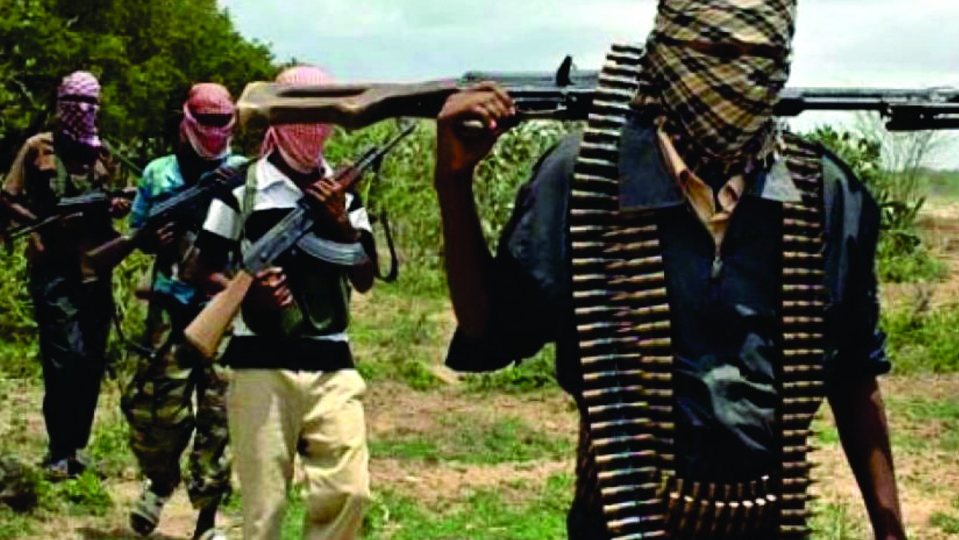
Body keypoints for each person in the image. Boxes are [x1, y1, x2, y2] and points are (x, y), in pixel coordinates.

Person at [432, 1, 907, 538]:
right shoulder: (587, 176)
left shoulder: (822, 191)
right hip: (623, 521)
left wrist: (890, 530)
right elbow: (489, 326)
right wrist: (453, 183)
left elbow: (853, 371)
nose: (738, 76)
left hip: (770, 522)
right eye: (716, 51)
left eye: (762, 54)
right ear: (666, 52)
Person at [193, 65, 376, 540]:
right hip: (260, 364)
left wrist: (340, 223)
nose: (313, 127)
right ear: (279, 115)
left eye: (323, 113)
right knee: (264, 510)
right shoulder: (242, 187)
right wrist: (246, 289)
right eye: (303, 113)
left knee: (350, 492)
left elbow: (365, 277)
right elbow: (200, 266)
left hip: (332, 361)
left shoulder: (344, 193)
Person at [123, 83, 244, 540]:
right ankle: (160, 481)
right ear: (186, 122)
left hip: (223, 309)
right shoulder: (159, 174)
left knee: (220, 417)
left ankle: (206, 521)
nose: (213, 131)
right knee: (156, 411)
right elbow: (137, 230)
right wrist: (153, 239)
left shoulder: (242, 172)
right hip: (169, 307)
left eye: (221, 121)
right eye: (205, 121)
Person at [4, 70, 131, 479]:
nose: (83, 110)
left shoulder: (102, 152)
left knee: (92, 358)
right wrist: (42, 223)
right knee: (64, 357)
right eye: (75, 102)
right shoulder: (37, 147)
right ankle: (58, 448)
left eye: (91, 102)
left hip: (95, 266)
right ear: (60, 103)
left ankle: (78, 445)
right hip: (53, 267)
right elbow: (8, 198)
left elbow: (114, 201)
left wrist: (115, 207)